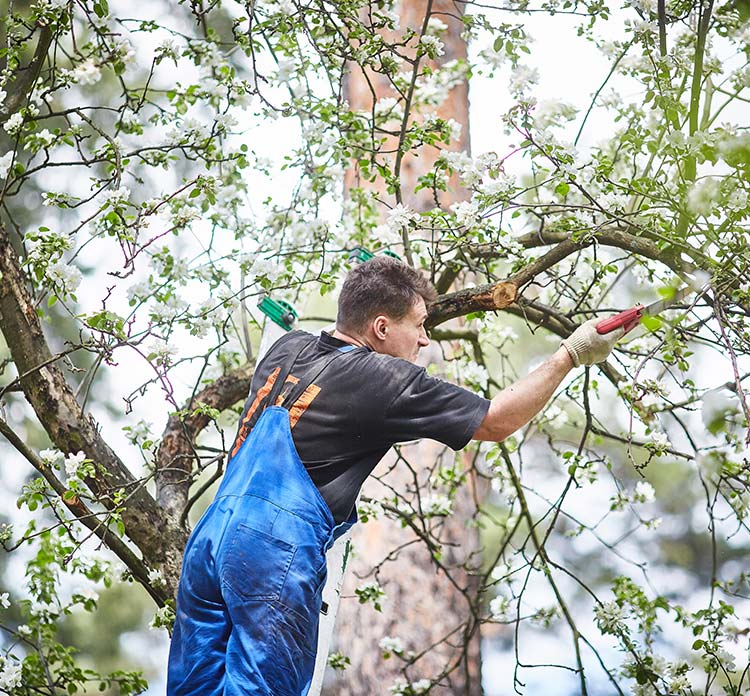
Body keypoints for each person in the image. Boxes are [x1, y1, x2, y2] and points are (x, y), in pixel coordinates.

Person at [166, 256, 622, 696]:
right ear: (381, 328)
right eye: (419, 325)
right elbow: (496, 420)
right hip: (272, 548)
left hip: (210, 541)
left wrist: (381, 274)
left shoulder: (288, 348)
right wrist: (569, 355)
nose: (425, 340)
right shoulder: (383, 378)